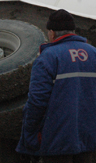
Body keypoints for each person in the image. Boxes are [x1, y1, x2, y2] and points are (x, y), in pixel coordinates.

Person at [16, 9, 96, 162]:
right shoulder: (93, 53)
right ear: (73, 31)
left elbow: (37, 101)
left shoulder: (48, 57)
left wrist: (29, 135)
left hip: (58, 138)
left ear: (52, 33)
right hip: (89, 135)